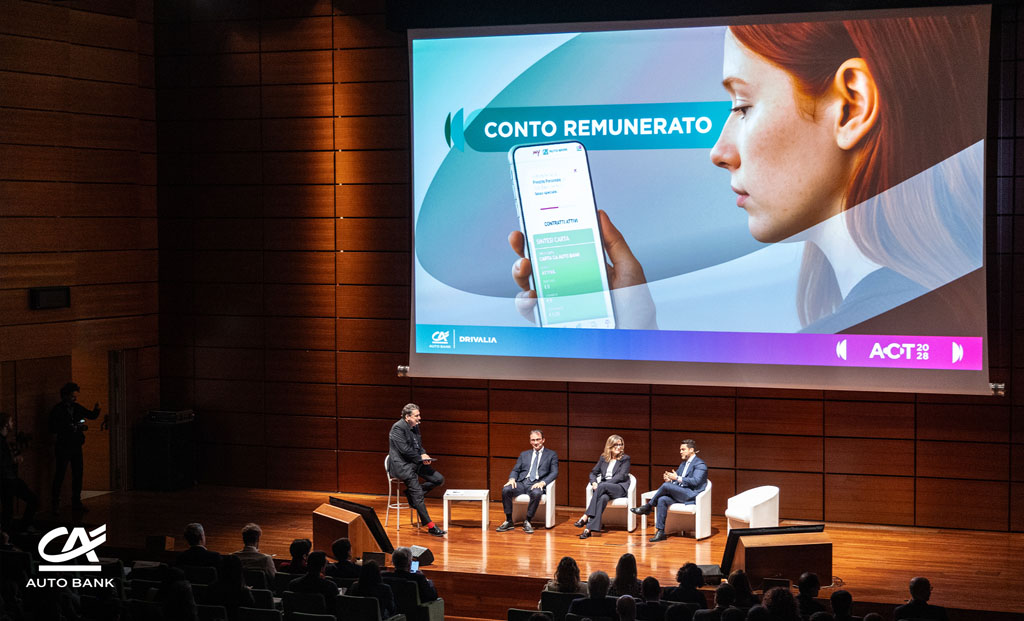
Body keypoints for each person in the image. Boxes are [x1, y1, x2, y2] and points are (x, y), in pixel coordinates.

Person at [510, 14, 986, 336]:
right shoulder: (956, 312)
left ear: (852, 106)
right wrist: (634, 334)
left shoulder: (836, 349)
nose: (719, 152)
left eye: (742, 105)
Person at [387, 403, 446, 537]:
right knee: (418, 495)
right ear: (407, 417)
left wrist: (424, 454)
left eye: (419, 415)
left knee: (438, 479)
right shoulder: (397, 428)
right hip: (403, 466)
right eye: (416, 416)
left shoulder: (415, 426)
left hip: (415, 462)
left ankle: (411, 494)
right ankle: (431, 526)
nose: (419, 418)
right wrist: (420, 457)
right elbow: (405, 450)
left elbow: (418, 446)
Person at [631, 439, 707, 542]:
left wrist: (676, 478)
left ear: (691, 450)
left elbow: (696, 481)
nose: (680, 452)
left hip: (691, 495)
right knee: (662, 499)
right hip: (681, 493)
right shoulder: (683, 464)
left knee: (666, 486)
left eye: (683, 449)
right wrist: (671, 479)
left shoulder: (700, 464)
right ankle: (660, 532)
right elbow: (677, 480)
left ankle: (648, 507)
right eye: (680, 450)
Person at [48, 382, 100, 513]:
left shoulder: (76, 407)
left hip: (76, 445)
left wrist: (96, 410)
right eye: (72, 396)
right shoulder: (57, 410)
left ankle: (76, 502)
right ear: (65, 396)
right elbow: (52, 428)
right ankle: (55, 503)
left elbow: (91, 415)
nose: (75, 398)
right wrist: (67, 427)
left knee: (78, 474)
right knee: (60, 474)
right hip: (64, 446)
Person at [496, 429, 558, 534]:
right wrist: (512, 479)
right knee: (506, 489)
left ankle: (528, 521)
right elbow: (516, 470)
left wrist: (543, 483)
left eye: (538, 439)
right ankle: (509, 520)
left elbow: (554, 472)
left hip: (537, 483)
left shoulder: (551, 454)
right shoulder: (524, 454)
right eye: (533, 440)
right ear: (530, 441)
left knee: (537, 493)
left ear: (543, 440)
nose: (536, 442)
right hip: (522, 482)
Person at [575, 434, 630, 539]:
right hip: (604, 489)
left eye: (621, 444)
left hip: (619, 488)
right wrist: (594, 482)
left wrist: (603, 485)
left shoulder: (625, 459)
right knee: (603, 498)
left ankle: (585, 516)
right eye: (616, 445)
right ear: (610, 445)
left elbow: (621, 476)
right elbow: (593, 473)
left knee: (603, 486)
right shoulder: (603, 458)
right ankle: (588, 530)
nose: (619, 447)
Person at [0, 413, 38, 533]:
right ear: (6, 424)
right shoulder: (1, 442)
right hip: (7, 479)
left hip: (9, 479)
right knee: (11, 508)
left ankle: (9, 534)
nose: (13, 424)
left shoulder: (5, 441)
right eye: (11, 421)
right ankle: (17, 530)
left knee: (8, 509)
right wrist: (14, 460)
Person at [207, 554, 254, 620]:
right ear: (239, 570)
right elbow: (251, 609)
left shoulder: (211, 588)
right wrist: (247, 590)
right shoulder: (243, 593)